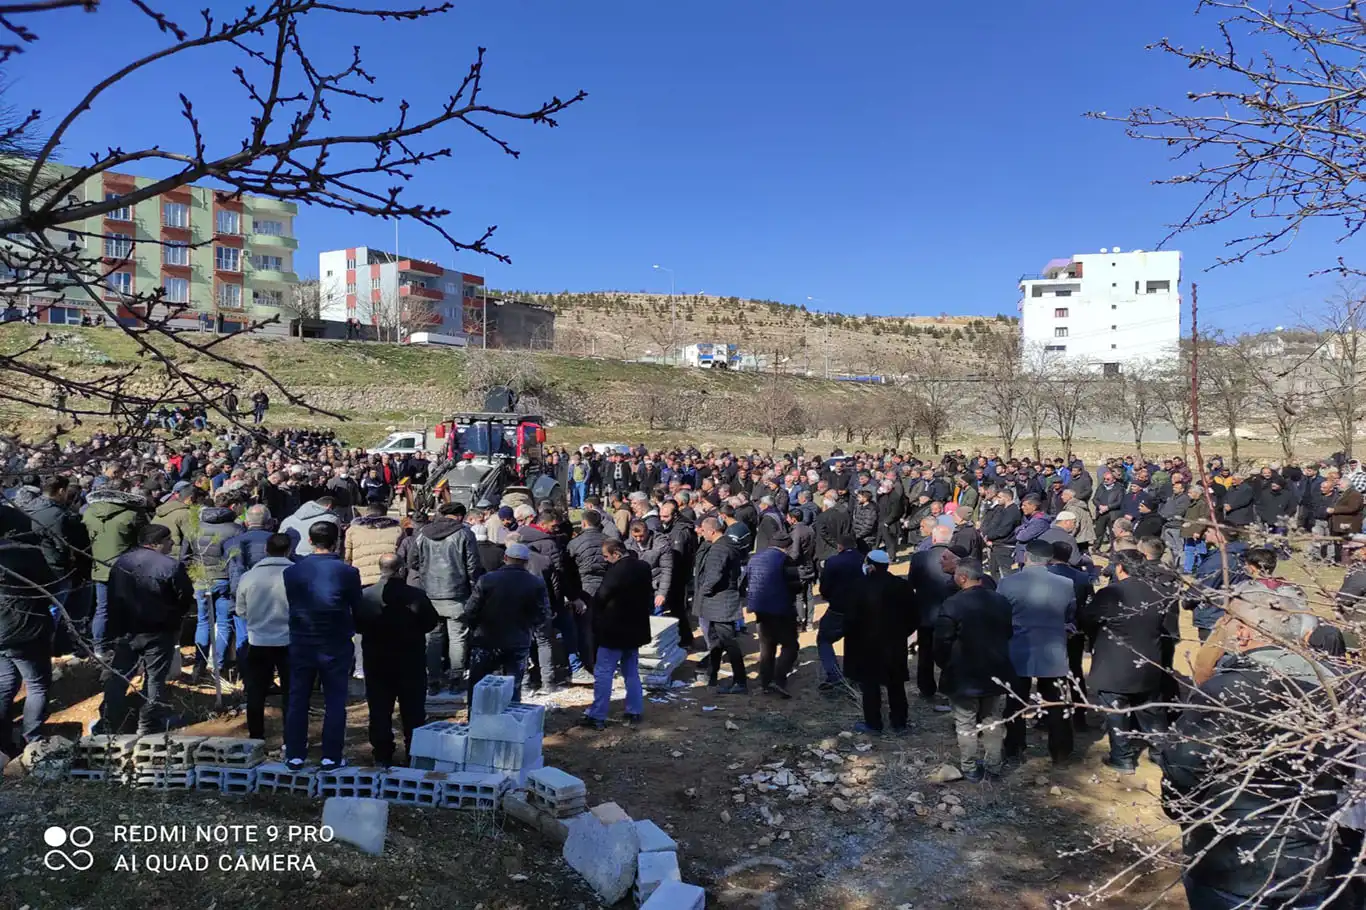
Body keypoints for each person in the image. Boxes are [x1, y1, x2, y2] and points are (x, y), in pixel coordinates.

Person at [1157, 591, 1350, 910]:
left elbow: (1184, 770)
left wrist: (1182, 813)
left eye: (1227, 621)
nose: (1222, 627)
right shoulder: (1339, 688)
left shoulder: (1227, 690)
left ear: (1244, 633)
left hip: (1233, 864)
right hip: (1312, 860)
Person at [95, 525, 194, 735]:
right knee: (155, 678)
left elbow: (110, 597)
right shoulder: (170, 566)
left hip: (126, 630)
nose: (172, 543)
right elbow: (184, 597)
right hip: (158, 630)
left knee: (119, 674)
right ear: (156, 543)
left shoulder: (121, 563)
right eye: (168, 540)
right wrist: (174, 617)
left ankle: (109, 721)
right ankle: (149, 724)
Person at [1078, 550, 1170, 775]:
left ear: (1120, 567)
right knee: (1151, 710)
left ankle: (1122, 758)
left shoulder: (1111, 593)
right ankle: (1162, 754)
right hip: (1149, 660)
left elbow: (1087, 618)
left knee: (1116, 712)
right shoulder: (1158, 591)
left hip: (1115, 663)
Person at [282, 521, 361, 770]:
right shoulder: (348, 572)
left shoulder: (292, 572)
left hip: (301, 640)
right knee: (335, 700)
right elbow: (357, 607)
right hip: (335, 642)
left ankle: (294, 754)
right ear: (337, 541)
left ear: (309, 540)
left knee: (298, 698)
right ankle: (331, 756)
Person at [997, 540, 1076, 764]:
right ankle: (1060, 752)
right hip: (1053, 650)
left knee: (1015, 702)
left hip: (1018, 647)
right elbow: (1070, 613)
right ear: (1050, 559)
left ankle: (1014, 748)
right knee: (1056, 703)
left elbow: (1000, 614)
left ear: (1026, 556)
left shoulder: (1007, 583)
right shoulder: (1066, 584)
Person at [934, 558, 1014, 781]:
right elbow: (1008, 632)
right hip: (996, 670)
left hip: (964, 673)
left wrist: (944, 663)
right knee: (992, 719)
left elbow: (941, 640)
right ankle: (994, 765)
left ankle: (969, 766)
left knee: (965, 721)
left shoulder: (953, 604)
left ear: (962, 578)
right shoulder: (1001, 601)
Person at [357, 553, 439, 766]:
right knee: (413, 710)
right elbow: (430, 622)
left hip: (377, 660)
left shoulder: (365, 596)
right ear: (401, 570)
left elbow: (357, 624)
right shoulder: (415, 595)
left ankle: (382, 754)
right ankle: (414, 752)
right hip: (410, 660)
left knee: (379, 709)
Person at [407, 502, 482, 696]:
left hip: (429, 592)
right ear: (460, 516)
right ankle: (456, 680)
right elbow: (473, 566)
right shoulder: (465, 534)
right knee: (458, 637)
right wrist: (473, 589)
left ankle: (433, 681)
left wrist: (425, 573)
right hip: (457, 594)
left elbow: (412, 562)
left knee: (432, 638)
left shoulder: (423, 533)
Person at [0, 510, 57, 753]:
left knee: (5, 683)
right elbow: (51, 583)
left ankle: (3, 742)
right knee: (37, 684)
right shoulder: (27, 553)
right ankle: (32, 740)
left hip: (3, 633)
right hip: (27, 629)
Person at [464, 542, 552, 700]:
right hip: (518, 639)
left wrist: (475, 628)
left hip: (487, 639)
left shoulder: (487, 579)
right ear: (526, 562)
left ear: (505, 558)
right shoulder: (535, 583)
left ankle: (475, 712)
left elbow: (470, 610)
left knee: (479, 684)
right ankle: (510, 712)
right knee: (513, 685)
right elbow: (543, 614)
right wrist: (530, 627)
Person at [581, 539, 652, 730]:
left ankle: (597, 715)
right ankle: (634, 710)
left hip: (614, 630)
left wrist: (594, 616)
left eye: (606, 556)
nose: (605, 560)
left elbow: (601, 597)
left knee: (604, 673)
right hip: (636, 628)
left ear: (616, 554)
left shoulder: (616, 571)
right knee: (631, 671)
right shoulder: (644, 567)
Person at [844, 550, 915, 735]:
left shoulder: (858, 586)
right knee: (896, 684)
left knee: (870, 685)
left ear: (871, 566)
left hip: (867, 645)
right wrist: (902, 634)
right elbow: (914, 616)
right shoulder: (902, 585)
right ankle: (899, 723)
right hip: (895, 645)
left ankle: (873, 723)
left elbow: (850, 619)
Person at [234, 533, 294, 741]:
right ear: (289, 550)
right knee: (291, 692)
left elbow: (241, 611)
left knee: (256, 691)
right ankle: (292, 739)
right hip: (289, 641)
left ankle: (256, 736)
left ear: (266, 550)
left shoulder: (249, 576)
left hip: (258, 641)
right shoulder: (296, 574)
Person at [81, 480, 148, 647]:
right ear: (124, 491)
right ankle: (126, 644)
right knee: (129, 608)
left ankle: (99, 646)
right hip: (127, 569)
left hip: (99, 567)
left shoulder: (89, 512)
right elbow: (145, 538)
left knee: (102, 609)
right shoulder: (132, 514)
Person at [190, 494, 244, 680]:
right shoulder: (235, 529)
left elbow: (185, 554)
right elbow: (238, 557)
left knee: (202, 621)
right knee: (223, 622)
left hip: (201, 578)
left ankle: (199, 665)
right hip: (224, 578)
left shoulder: (195, 527)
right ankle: (218, 666)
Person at [694, 516, 747, 694]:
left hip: (719, 601)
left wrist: (703, 591)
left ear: (712, 531)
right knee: (716, 642)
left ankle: (740, 681)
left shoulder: (719, 549)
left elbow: (713, 575)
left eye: (703, 530)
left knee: (728, 642)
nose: (701, 533)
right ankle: (713, 675)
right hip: (722, 600)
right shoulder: (728, 545)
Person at [746, 528, 801, 698]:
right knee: (791, 646)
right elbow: (795, 586)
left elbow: (747, 581)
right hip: (782, 610)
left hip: (760, 609)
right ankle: (778, 679)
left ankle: (765, 682)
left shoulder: (755, 558)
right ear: (786, 546)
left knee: (766, 648)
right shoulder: (786, 560)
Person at [908, 525, 958, 704]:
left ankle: (926, 687)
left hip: (926, 612)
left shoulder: (920, 557)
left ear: (933, 538)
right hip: (951, 614)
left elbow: (912, 582)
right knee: (950, 652)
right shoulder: (958, 557)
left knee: (925, 653)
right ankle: (948, 687)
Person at [817, 534, 863, 689]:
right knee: (855, 641)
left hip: (838, 608)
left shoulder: (833, 561)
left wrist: (829, 597)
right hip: (861, 608)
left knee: (824, 639)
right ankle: (856, 673)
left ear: (839, 547)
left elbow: (825, 586)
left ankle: (834, 674)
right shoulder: (864, 559)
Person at [345, 500, 401, 586]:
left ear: (366, 513)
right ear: (385, 514)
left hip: (362, 579)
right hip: (389, 580)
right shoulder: (397, 530)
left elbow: (347, 558)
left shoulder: (352, 530)